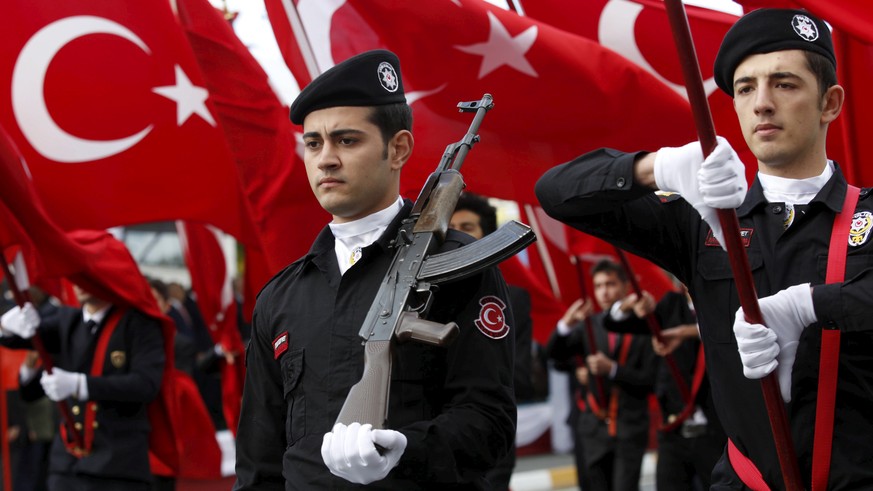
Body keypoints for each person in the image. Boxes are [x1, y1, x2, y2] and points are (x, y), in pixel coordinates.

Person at [536, 8, 873, 489]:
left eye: (785, 84)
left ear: (830, 103)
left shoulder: (868, 216)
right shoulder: (700, 219)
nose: (762, 103)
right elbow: (554, 192)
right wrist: (656, 167)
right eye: (745, 88)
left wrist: (811, 306)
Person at [233, 49, 516, 490]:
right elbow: (258, 460)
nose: (325, 159)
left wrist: (406, 450)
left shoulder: (457, 265)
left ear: (398, 148)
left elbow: (489, 422)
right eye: (313, 143)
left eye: (347, 140)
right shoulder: (281, 296)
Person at [0, 284, 166, 491]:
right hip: (68, 463)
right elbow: (26, 338)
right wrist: (7, 326)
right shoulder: (69, 320)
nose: (80, 284)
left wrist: (81, 384)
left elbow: (145, 384)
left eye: (87, 277)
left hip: (118, 462)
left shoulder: (138, 323)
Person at [450, 192, 538, 490]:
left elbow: (521, 377)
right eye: (451, 226)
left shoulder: (512, 299)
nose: (458, 233)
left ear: (487, 237)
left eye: (468, 226)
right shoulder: (422, 297)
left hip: (488, 434)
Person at [546, 260, 656, 491]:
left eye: (610, 284)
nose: (604, 292)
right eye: (598, 286)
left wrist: (613, 370)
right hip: (593, 428)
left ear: (626, 286)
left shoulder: (645, 326)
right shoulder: (589, 326)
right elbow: (555, 356)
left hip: (629, 425)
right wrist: (565, 324)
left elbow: (650, 380)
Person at [605, 281, 726, 490]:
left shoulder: (720, 301)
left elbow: (728, 326)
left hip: (716, 426)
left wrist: (686, 332)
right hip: (674, 425)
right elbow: (616, 322)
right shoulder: (671, 303)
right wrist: (631, 305)